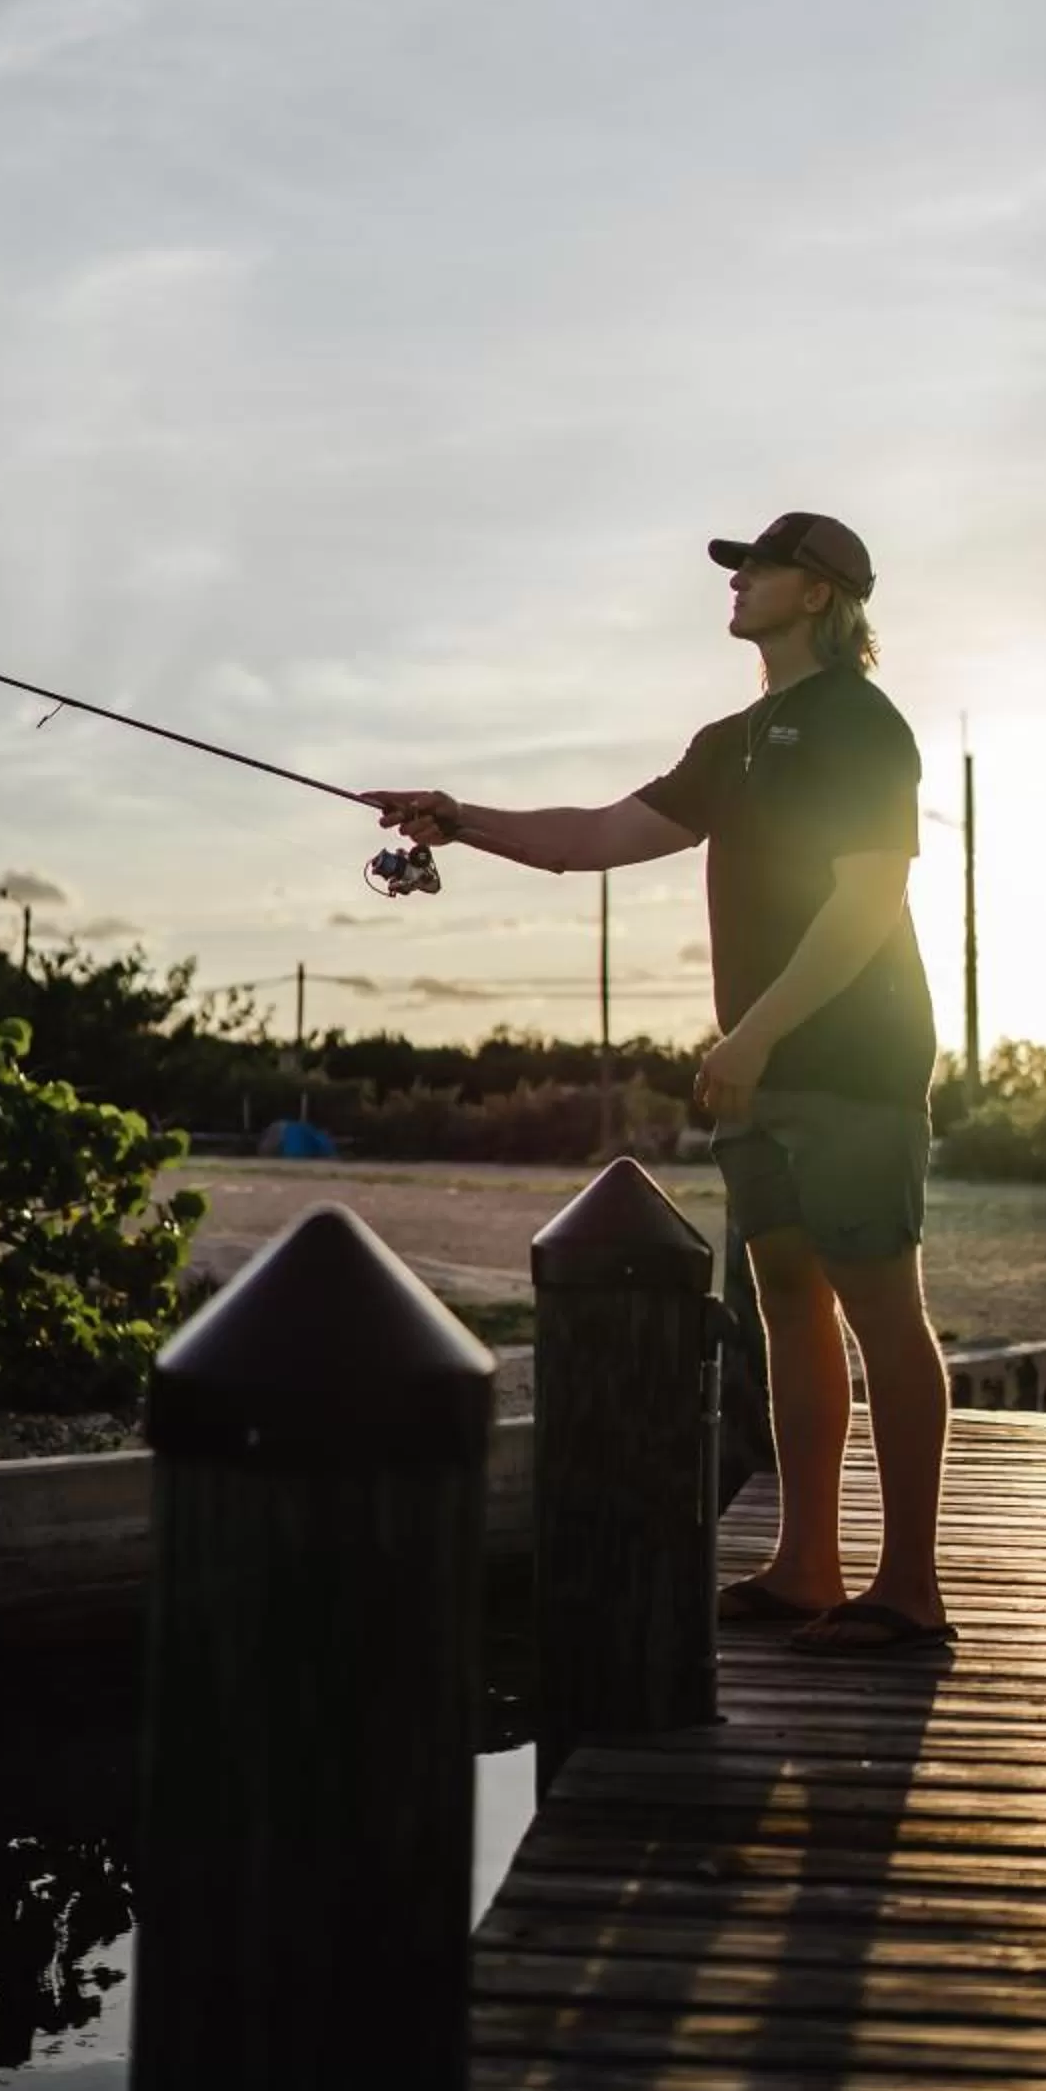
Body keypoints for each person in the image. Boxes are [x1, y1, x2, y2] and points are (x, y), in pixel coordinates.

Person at [366, 508, 952, 1657]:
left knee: (881, 1307)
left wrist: (755, 1038)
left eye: (760, 569)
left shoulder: (862, 725)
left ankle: (909, 1589)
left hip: (851, 1061)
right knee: (787, 1306)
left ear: (819, 595)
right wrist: (461, 820)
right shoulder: (727, 741)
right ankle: (806, 1565)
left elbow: (867, 901)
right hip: (764, 1064)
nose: (735, 584)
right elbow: (593, 835)